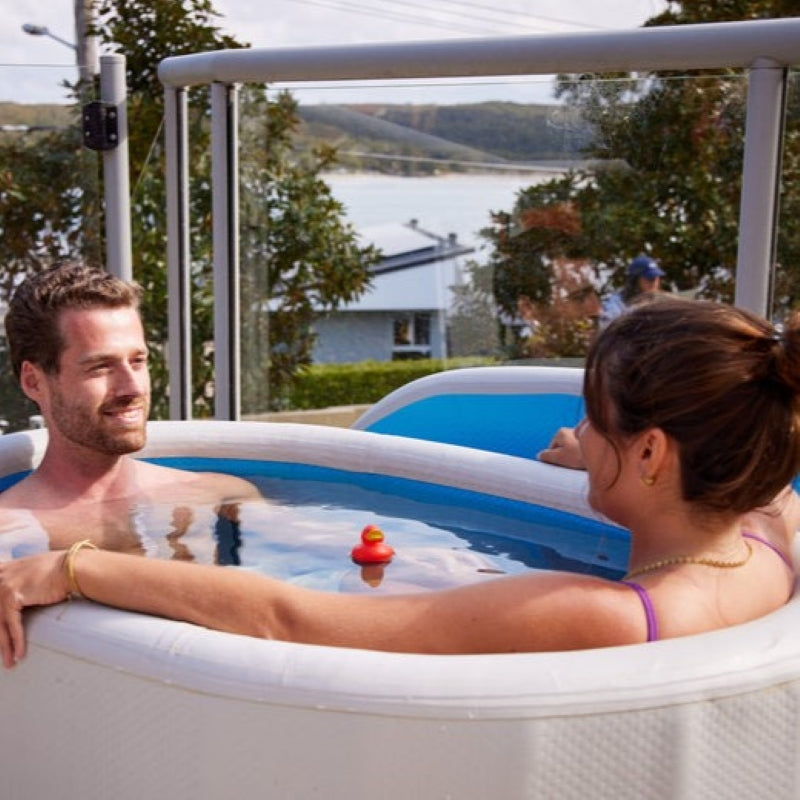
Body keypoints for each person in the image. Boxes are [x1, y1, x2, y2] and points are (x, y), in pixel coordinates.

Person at [1, 298, 798, 666]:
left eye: (594, 421)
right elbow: (759, 480)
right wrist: (608, 464)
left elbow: (288, 620)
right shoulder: (771, 551)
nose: (576, 436)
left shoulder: (602, 617)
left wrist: (76, 565)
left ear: (656, 453)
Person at [0, 263, 261, 559]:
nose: (132, 387)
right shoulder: (8, 533)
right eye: (100, 367)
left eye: (138, 361)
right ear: (34, 382)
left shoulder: (222, 496)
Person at [599, 253, 666, 327]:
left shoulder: (661, 302)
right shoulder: (616, 306)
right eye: (649, 279)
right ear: (635, 280)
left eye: (656, 278)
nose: (654, 283)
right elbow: (606, 330)